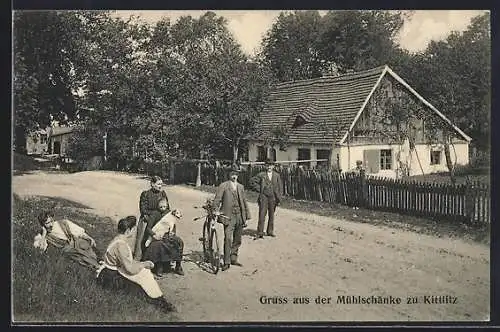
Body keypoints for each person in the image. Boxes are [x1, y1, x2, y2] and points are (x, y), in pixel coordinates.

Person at [96, 216, 176, 313]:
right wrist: (144, 264)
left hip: (109, 272)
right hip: (111, 278)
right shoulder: (121, 245)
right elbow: (130, 269)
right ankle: (159, 301)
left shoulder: (118, 239)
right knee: (144, 277)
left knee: (144, 273)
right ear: (129, 230)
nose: (135, 231)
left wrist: (141, 265)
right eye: (134, 229)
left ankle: (159, 299)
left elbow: (127, 263)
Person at [212, 167, 251, 271]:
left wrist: (247, 215)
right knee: (228, 238)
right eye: (232, 174)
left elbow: (244, 201)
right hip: (228, 216)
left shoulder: (240, 187)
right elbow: (217, 199)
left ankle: (233, 258)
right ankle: (226, 261)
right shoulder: (223, 186)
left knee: (238, 239)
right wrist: (215, 210)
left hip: (239, 215)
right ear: (229, 174)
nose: (234, 176)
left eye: (236, 174)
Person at [34, 210, 101, 271]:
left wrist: (88, 237)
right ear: (42, 224)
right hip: (66, 247)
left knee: (83, 244)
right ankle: (96, 267)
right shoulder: (43, 235)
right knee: (77, 254)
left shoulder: (62, 223)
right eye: (47, 223)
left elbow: (78, 231)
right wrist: (44, 234)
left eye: (51, 221)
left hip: (74, 240)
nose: (51, 224)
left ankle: (99, 260)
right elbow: (41, 250)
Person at [142, 199, 185, 277]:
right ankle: (160, 267)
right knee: (161, 244)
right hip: (157, 235)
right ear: (158, 206)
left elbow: (173, 226)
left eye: (164, 206)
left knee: (179, 242)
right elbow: (148, 228)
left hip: (167, 234)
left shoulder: (170, 213)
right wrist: (154, 235)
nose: (163, 208)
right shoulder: (154, 214)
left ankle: (178, 266)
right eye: (161, 207)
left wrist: (172, 233)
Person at [134, 175, 170, 260]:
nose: (160, 186)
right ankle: (140, 257)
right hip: (147, 218)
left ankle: (162, 258)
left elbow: (167, 208)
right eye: (158, 184)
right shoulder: (145, 194)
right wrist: (154, 214)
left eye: (161, 184)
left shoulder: (163, 194)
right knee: (143, 234)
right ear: (152, 184)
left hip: (159, 219)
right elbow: (143, 210)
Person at [249, 158, 283, 239]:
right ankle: (260, 232)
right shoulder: (261, 175)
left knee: (271, 215)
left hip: (273, 197)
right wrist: (260, 189)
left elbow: (280, 187)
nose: (269, 167)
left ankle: (270, 231)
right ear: (265, 166)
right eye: (268, 165)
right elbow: (252, 181)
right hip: (264, 197)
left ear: (273, 166)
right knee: (262, 214)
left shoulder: (276, 175)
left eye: (271, 165)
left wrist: (279, 197)